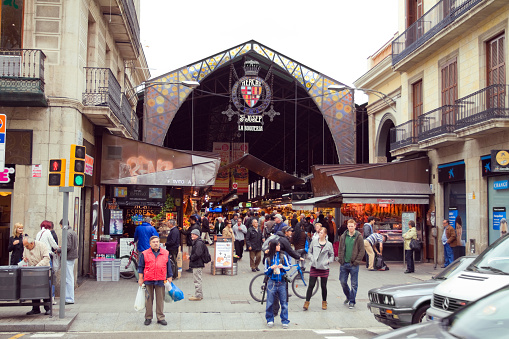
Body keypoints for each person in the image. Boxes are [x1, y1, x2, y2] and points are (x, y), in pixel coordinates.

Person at [138, 236, 172, 326]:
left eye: (157, 242)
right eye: (153, 242)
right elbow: (141, 267)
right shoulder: (145, 253)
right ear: (150, 244)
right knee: (148, 300)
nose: (156, 243)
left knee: (160, 300)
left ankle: (160, 317)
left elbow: (168, 266)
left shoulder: (165, 253)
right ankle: (148, 317)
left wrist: (170, 276)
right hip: (148, 279)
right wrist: (140, 278)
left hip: (161, 279)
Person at [303, 227, 334, 311]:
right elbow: (309, 252)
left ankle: (324, 302)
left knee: (323, 286)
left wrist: (328, 261)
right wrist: (312, 258)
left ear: (325, 234)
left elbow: (332, 255)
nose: (319, 234)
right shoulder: (314, 242)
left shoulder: (329, 244)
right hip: (314, 266)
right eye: (319, 232)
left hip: (324, 267)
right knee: (311, 285)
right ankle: (307, 302)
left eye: (321, 232)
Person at [338, 219, 365, 309]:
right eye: (349, 226)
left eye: (352, 226)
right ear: (347, 227)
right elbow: (340, 248)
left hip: (353, 264)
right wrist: (340, 258)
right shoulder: (343, 236)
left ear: (355, 226)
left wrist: (357, 261)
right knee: (343, 282)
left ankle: (352, 301)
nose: (350, 228)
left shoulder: (358, 237)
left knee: (354, 284)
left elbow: (362, 250)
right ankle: (349, 296)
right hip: (344, 263)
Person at [264, 239, 291, 329]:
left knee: (284, 302)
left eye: (279, 245)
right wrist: (271, 268)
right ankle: (270, 319)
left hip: (282, 282)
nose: (279, 247)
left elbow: (288, 267)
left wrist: (282, 266)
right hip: (272, 282)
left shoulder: (283, 256)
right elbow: (265, 271)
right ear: (273, 247)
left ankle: (284, 320)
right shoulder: (268, 258)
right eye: (277, 245)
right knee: (270, 302)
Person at [22, 236, 51, 315]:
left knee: (44, 289)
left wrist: (37, 266)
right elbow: (24, 256)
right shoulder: (26, 248)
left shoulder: (41, 245)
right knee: (33, 289)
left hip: (42, 270)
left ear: (32, 243)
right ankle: (35, 308)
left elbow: (46, 258)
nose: (26, 248)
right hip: (32, 271)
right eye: (25, 246)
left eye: (27, 246)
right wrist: (25, 259)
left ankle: (48, 308)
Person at [58, 219, 78, 304]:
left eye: (60, 226)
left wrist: (59, 249)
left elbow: (68, 246)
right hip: (72, 256)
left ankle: (69, 298)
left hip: (68, 257)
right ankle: (69, 297)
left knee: (68, 278)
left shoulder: (67, 233)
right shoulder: (73, 232)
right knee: (69, 277)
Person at [189, 229, 206, 301]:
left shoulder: (198, 243)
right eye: (191, 234)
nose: (192, 235)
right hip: (197, 263)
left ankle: (198, 295)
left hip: (197, 264)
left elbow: (198, 254)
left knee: (197, 280)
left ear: (197, 235)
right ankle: (199, 294)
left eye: (194, 234)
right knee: (197, 279)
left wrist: (191, 258)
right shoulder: (197, 242)